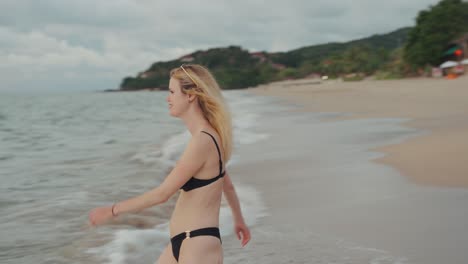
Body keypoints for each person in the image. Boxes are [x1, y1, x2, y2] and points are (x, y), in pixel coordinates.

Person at [88, 64, 251, 264]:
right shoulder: (210, 137)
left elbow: (162, 194)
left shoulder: (202, 141)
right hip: (184, 243)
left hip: (197, 245)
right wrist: (239, 220)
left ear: (190, 95)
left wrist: (112, 210)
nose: (168, 98)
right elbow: (227, 184)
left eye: (172, 92)